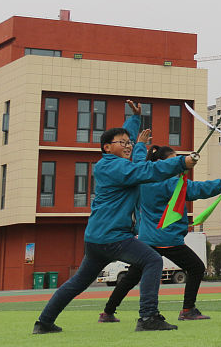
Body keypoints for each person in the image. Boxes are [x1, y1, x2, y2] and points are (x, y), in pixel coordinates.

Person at [33, 101, 199, 334]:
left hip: (97, 238)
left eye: (129, 142)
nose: (128, 145)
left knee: (79, 282)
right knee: (152, 260)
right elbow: (146, 170)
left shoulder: (112, 163)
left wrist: (134, 118)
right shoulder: (115, 168)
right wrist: (181, 162)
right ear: (107, 148)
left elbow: (126, 142)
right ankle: (148, 316)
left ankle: (44, 322)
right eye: (123, 143)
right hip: (113, 237)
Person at [100, 145, 221, 322]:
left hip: (146, 239)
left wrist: (141, 145)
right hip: (168, 239)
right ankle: (188, 309)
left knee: (131, 277)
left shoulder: (143, 179)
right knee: (196, 268)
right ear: (160, 163)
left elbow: (139, 163)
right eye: (173, 161)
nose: (177, 164)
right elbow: (197, 189)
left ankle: (107, 312)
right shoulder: (170, 183)